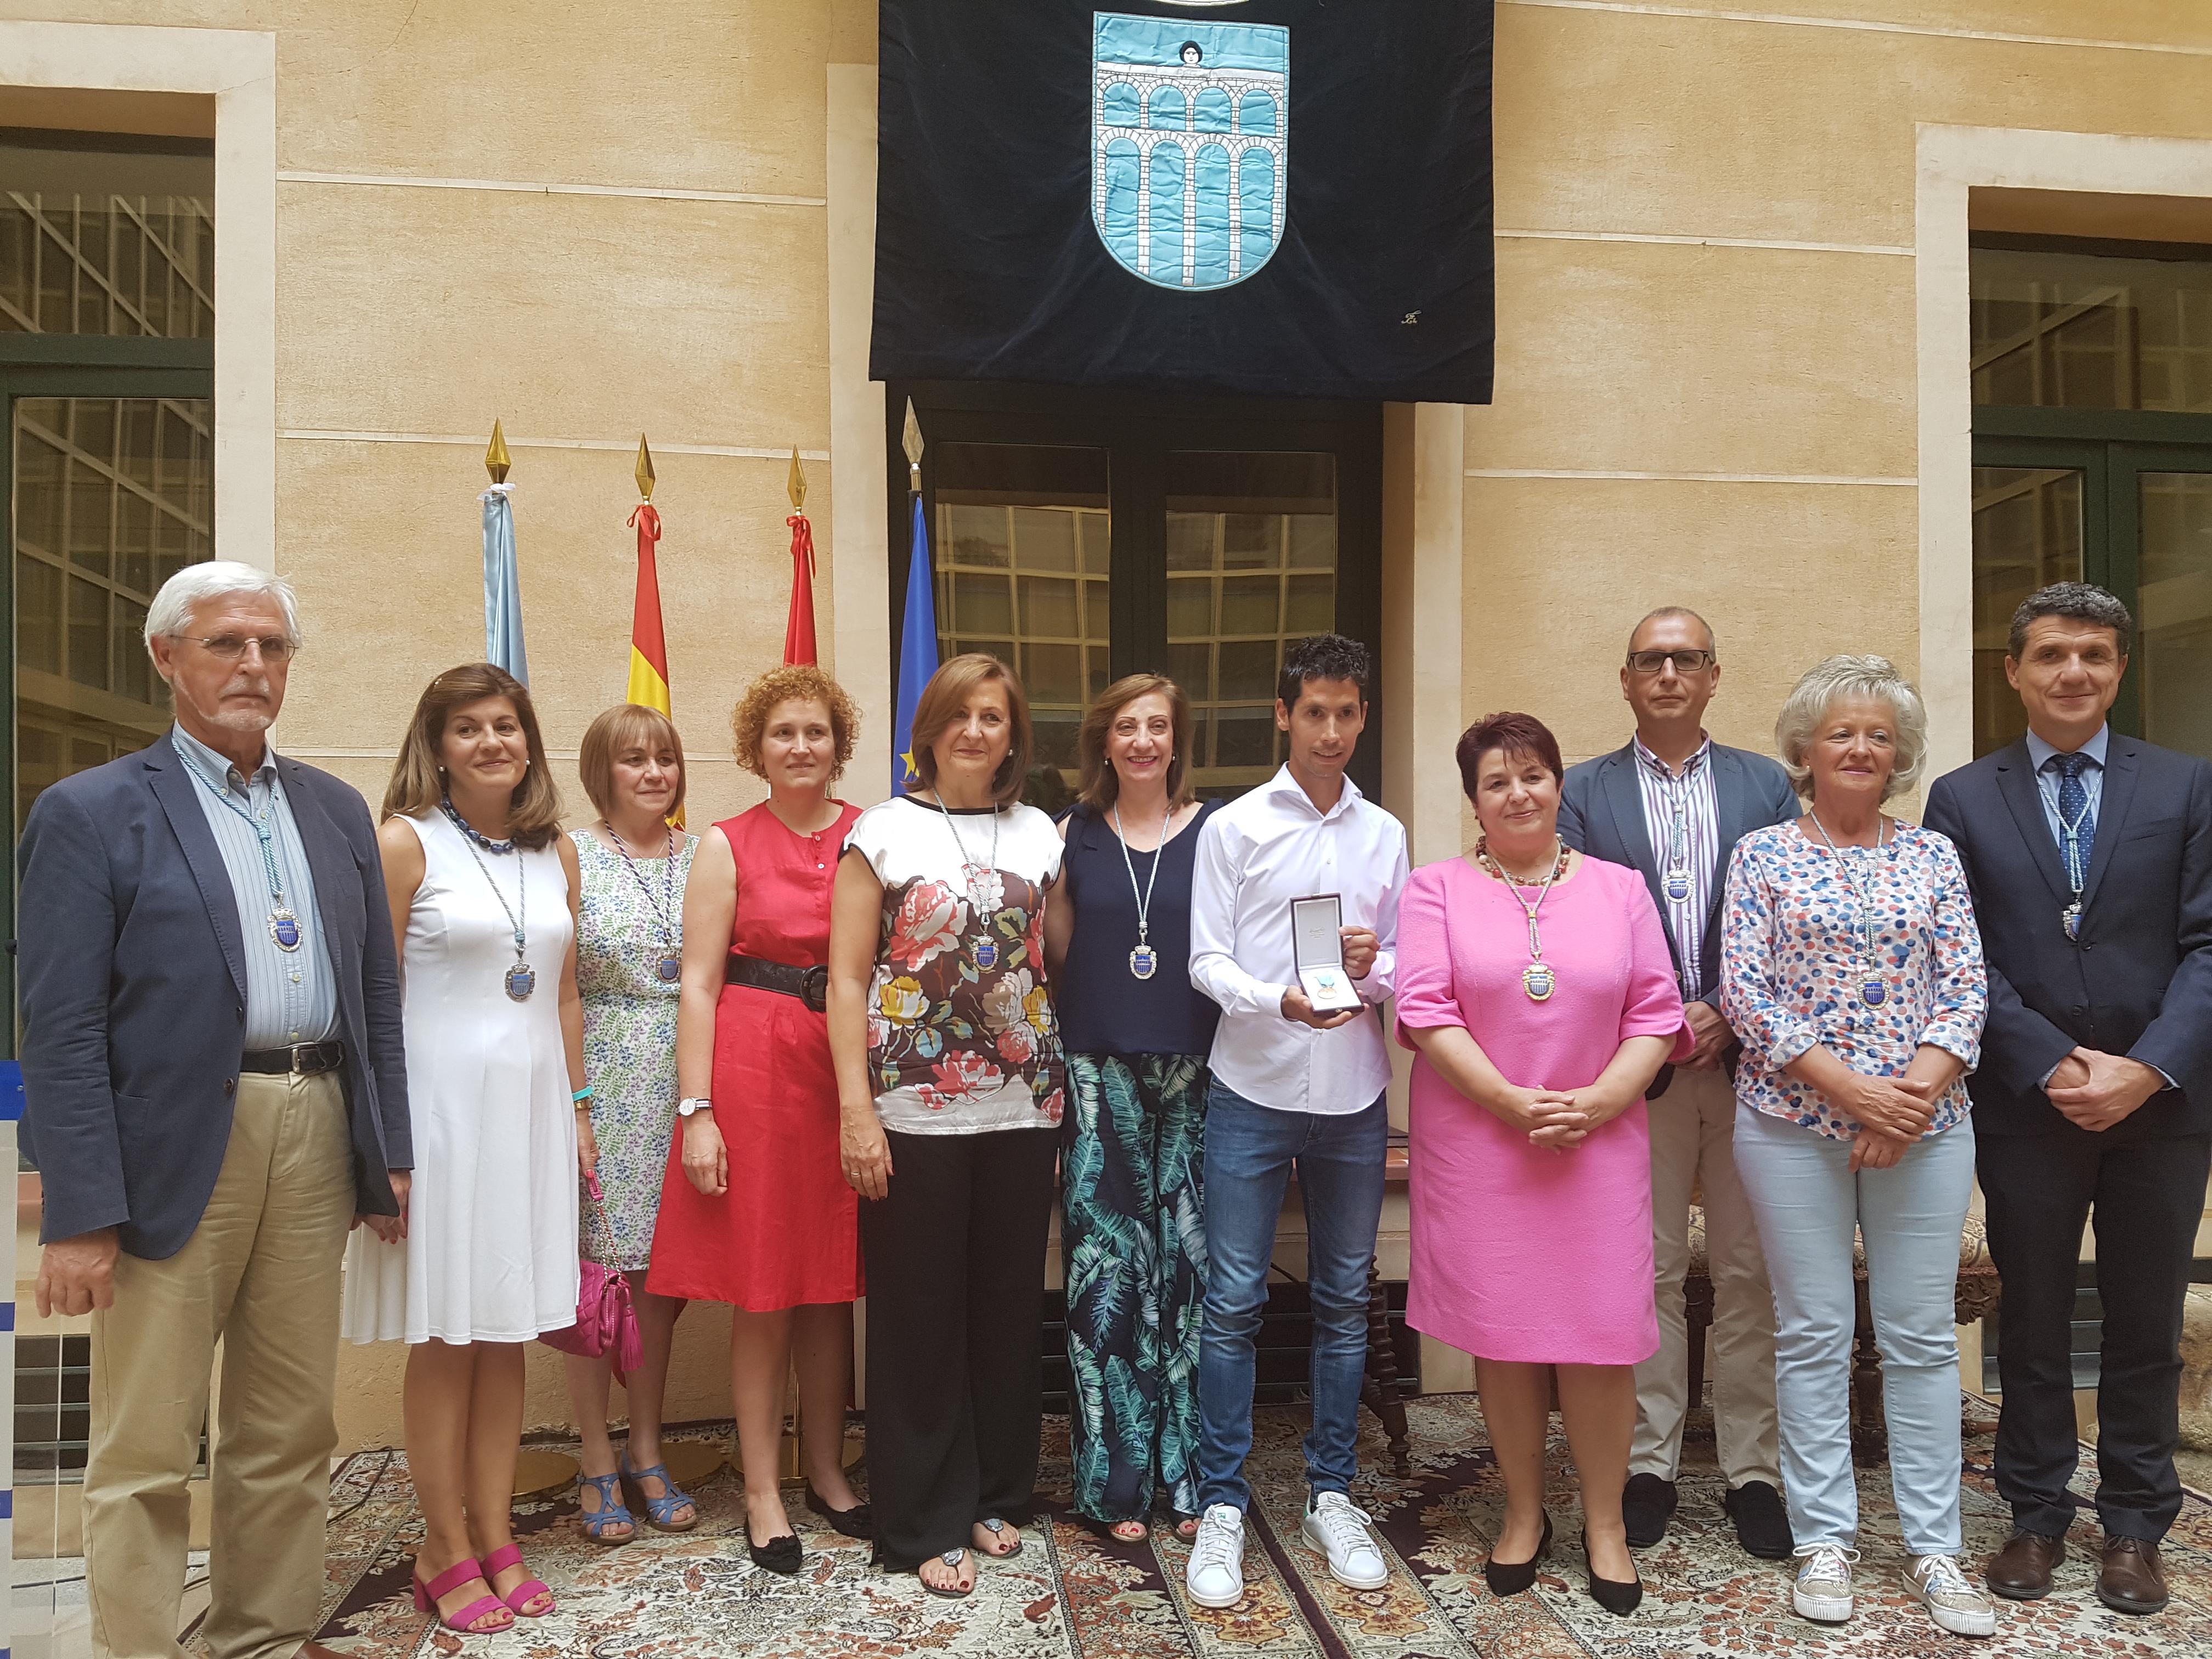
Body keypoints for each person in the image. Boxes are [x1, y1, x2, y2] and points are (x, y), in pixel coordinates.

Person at [18, 562, 408, 1659]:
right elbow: (61, 1026)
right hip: (168, 1154)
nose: (253, 666)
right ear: (167, 658)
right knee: (146, 1445)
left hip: (316, 1126)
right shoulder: (91, 813)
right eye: (228, 643)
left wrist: (392, 1153)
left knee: (287, 1430)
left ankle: (264, 1638)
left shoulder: (334, 809)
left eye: (273, 647)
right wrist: (82, 1209)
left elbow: (377, 995)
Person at [1923, 583, 2212, 1618]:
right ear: (2014, 671)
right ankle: (2036, 1515)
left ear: (2121, 669)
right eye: (2051, 654)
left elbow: (2208, 945)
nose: (2073, 673)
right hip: (2027, 1106)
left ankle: (2136, 1525)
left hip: (2165, 1106)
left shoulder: (2188, 785)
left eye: (2095, 654)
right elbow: (1959, 956)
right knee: (2034, 1316)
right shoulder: (1961, 797)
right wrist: (2050, 1061)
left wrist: (2147, 1066)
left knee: (2144, 1317)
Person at [1719, 655, 1995, 1638]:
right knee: (1814, 1331)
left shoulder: (1933, 856)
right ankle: (1825, 1538)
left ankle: (1934, 1549)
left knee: (1921, 1337)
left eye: (1880, 734)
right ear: (1805, 749)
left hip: (1926, 1127)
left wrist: (1908, 1101)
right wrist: (1852, 1097)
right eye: (1842, 732)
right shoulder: (1760, 855)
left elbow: (1967, 989)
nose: (1862, 748)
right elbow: (1746, 994)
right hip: (1793, 1125)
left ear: (1901, 754)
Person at [1399, 712, 1687, 1617]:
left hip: (1597, 1142)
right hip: (1484, 1144)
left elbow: (1657, 1013)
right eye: (1496, 781)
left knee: (1602, 1334)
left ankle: (1605, 1523)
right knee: (1505, 1333)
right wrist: (1511, 1102)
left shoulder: (1621, 888)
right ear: (1474, 801)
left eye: (1533, 775)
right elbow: (1424, 1009)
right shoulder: (1434, 889)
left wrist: (1603, 1101)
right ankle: (1523, 1514)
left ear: (1559, 784)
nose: (1517, 793)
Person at [340, 664, 588, 1634]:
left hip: (529, 1111)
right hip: (438, 1119)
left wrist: (577, 1107)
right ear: (437, 746)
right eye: (470, 729)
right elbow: (374, 1001)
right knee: (447, 1334)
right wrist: (383, 1148)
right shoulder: (406, 843)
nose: (493, 743)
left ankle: (496, 1534)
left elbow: (562, 992)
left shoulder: (552, 852)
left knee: (505, 1329)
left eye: (508, 727)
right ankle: (441, 1546)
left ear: (529, 742)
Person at [1556, 606, 1796, 1560]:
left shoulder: (1766, 785)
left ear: (1712, 674)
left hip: (1752, 1066)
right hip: (1636, 1072)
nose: (1666, 674)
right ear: (1625, 680)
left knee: (1750, 1272)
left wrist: (1725, 1013)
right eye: (1649, 660)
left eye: (1684, 659)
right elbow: (1571, 924)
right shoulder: (1582, 791)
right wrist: (1662, 1024)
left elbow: (1788, 921)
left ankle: (1753, 1471)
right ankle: (1648, 1463)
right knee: (1645, 1269)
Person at [827, 654, 1066, 1598]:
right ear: (928, 729)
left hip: (1022, 1107)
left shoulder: (1040, 832)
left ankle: (996, 1492)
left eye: (994, 716)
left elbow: (1052, 965)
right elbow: (847, 978)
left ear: (1014, 735)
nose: (976, 730)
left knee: (1007, 1309)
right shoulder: (879, 832)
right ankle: (921, 1517)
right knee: (920, 1314)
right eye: (960, 714)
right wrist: (857, 1113)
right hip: (912, 1110)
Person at [1181, 633, 1408, 1610]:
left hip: (1354, 1095)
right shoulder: (1234, 828)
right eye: (1312, 711)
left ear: (1363, 717)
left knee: (1344, 1300)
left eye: (1346, 713)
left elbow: (1409, 964)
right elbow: (1206, 961)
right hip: (1252, 1087)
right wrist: (1280, 1000)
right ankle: (1224, 1502)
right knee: (1232, 1302)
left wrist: (1371, 967)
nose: (1329, 731)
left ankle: (1330, 1492)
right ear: (1283, 715)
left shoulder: (1385, 834)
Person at [650, 666, 868, 1572]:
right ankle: (762, 1488)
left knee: (830, 1283)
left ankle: (827, 1468)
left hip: (847, 1068)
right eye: (783, 733)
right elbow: (698, 984)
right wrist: (696, 1110)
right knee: (768, 1284)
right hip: (755, 1067)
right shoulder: (726, 843)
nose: (801, 747)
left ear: (838, 743)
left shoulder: (872, 835)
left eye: (816, 732)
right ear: (756, 747)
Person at [1041, 674, 1223, 1544]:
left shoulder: (1218, 833)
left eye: (1159, 725)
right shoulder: (1071, 834)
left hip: (1199, 1075)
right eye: (1127, 727)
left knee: (1188, 1278)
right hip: (1097, 1072)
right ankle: (1116, 1486)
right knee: (1108, 1280)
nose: (1144, 740)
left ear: (1177, 738)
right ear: (1105, 742)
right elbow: (1059, 954)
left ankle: (1188, 1481)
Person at [561, 704, 697, 1545]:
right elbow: (560, 986)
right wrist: (574, 1102)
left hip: (688, 1081)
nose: (652, 773)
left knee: (660, 1285)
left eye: (664, 758)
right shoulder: (571, 854)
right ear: (601, 772)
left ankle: (648, 1448)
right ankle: (594, 1456)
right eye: (633, 760)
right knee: (599, 1279)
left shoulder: (703, 855)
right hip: (604, 1083)